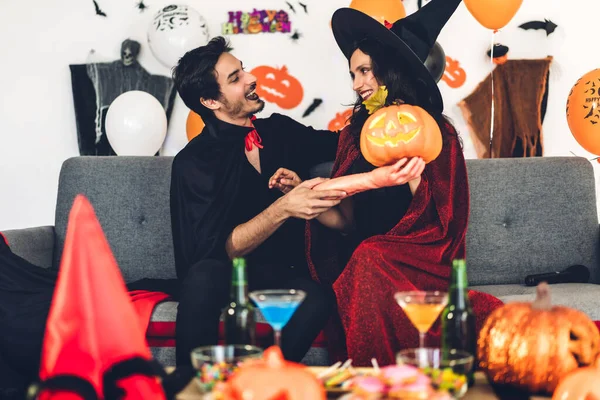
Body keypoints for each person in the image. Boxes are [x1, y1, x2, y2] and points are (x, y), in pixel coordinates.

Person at [271, 0, 504, 366]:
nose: (358, 83)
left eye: (365, 70)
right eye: (353, 74)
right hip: (367, 259)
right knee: (364, 256)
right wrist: (305, 197)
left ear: (390, 69)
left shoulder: (435, 130)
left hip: (420, 261)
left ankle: (385, 373)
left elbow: (442, 225)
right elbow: (347, 221)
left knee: (369, 257)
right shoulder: (353, 135)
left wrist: (413, 176)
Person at [169, 36, 343, 366]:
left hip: (283, 272)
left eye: (243, 70)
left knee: (320, 298)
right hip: (222, 275)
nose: (251, 78)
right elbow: (218, 251)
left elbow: (343, 146)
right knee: (202, 277)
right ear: (210, 101)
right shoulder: (193, 163)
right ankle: (191, 383)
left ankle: (259, 378)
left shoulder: (279, 130)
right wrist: (283, 207)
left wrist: (390, 113)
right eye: (235, 79)